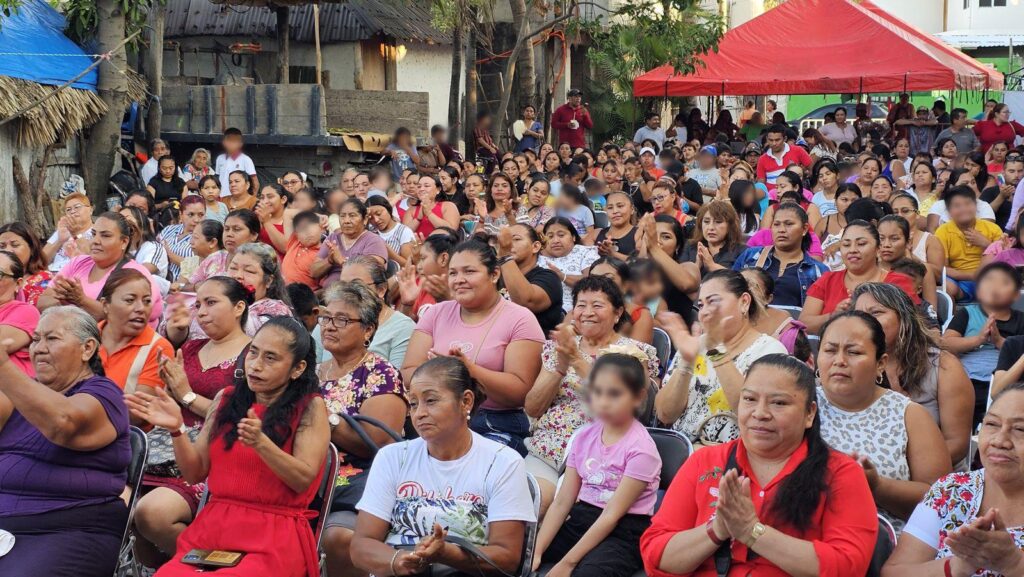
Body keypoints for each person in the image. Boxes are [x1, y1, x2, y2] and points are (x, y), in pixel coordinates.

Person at [640, 354, 879, 577]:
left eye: (779, 403)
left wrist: (753, 532)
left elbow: (848, 566)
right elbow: (656, 554)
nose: (760, 413)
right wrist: (717, 530)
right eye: (750, 399)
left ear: (809, 414)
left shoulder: (840, 473)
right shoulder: (706, 461)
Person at [127, 317, 329, 577]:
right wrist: (177, 429)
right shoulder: (226, 399)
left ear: (297, 368)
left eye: (271, 358)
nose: (255, 365)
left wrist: (261, 444)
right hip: (214, 528)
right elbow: (195, 472)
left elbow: (303, 480)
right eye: (253, 352)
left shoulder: (310, 407)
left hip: (273, 535)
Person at [349, 356, 534, 577]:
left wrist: (446, 553)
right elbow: (361, 545)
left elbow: (507, 559)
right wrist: (401, 561)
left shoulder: (503, 462)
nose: (419, 414)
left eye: (431, 401)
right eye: (414, 404)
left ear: (466, 401)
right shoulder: (392, 457)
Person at [131, 277, 253, 568]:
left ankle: (212, 569)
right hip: (165, 451)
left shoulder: (253, 355)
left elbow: (240, 419)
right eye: (198, 304)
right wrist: (164, 397)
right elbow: (174, 404)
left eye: (211, 303)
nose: (202, 311)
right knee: (122, 509)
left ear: (239, 307)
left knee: (152, 514)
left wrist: (185, 394)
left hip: (211, 460)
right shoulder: (190, 348)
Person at [0, 306, 131, 577]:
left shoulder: (104, 393)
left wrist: (2, 366)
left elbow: (63, 424)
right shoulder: (23, 394)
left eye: (52, 338)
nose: (39, 348)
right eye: (35, 339)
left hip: (70, 528)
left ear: (87, 349)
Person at [525, 276, 659, 510]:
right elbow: (533, 408)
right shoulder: (560, 347)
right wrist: (560, 365)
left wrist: (576, 359)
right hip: (550, 447)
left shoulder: (634, 354)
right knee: (531, 502)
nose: (587, 312)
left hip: (603, 455)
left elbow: (632, 410)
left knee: (574, 513)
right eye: (581, 305)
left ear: (618, 313)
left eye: (597, 305)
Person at [402, 240, 544, 456]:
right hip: (436, 419)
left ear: (494, 274)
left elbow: (521, 392)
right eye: (452, 273)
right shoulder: (435, 313)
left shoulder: (520, 319)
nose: (459, 280)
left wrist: (469, 371)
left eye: (469, 271)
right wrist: (438, 374)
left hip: (495, 422)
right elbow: (408, 370)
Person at [815, 311, 951, 531]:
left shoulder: (908, 415)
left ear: (881, 363)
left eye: (854, 352)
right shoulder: (801, 406)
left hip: (889, 550)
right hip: (806, 543)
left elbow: (941, 499)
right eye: (830, 350)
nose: (839, 361)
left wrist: (877, 486)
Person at [533, 351, 661, 577]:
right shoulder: (584, 436)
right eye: (597, 392)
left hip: (623, 531)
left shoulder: (642, 450)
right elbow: (563, 501)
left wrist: (567, 563)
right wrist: (536, 551)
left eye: (614, 394)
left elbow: (612, 514)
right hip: (583, 518)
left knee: (587, 572)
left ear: (638, 397)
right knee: (518, 554)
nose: (603, 402)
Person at [882, 382, 1024, 577]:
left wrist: (1014, 564)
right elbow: (894, 573)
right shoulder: (951, 490)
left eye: (1020, 430)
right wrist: (957, 566)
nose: (999, 441)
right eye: (992, 424)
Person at [317, 282, 407, 577]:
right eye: (326, 317)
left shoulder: (380, 373)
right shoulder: (311, 372)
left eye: (342, 320)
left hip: (356, 487)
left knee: (338, 538)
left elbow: (379, 442)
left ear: (368, 330)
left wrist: (324, 419)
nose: (329, 326)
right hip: (304, 476)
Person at [655, 270, 787, 443]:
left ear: (744, 302)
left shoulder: (770, 351)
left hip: (731, 460)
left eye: (713, 301)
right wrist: (686, 362)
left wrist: (716, 350)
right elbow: (665, 415)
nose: (705, 312)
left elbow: (754, 414)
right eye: (701, 305)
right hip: (685, 455)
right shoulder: (694, 344)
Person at [851, 283, 974, 466]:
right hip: (865, 474)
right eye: (859, 316)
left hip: (935, 480)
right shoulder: (850, 366)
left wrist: (898, 471)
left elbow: (957, 444)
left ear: (904, 317)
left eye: (876, 312)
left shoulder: (943, 366)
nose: (866, 322)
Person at [38, 211, 165, 326]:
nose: (95, 241)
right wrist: (63, 300)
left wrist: (81, 300)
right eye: (94, 234)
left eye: (105, 236)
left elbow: (129, 318)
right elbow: (42, 303)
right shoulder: (78, 262)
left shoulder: (135, 274)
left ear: (124, 242)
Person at [799, 220, 918, 334]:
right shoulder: (827, 280)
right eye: (846, 244)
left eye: (861, 244)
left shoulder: (898, 283)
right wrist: (834, 316)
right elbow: (803, 323)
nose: (852, 250)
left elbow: (910, 325)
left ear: (878, 249)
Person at [943, 262, 1024, 427]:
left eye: (1004, 283)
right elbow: (946, 343)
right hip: (967, 379)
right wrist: (978, 339)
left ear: (1016, 294)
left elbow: (1020, 354)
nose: (995, 288)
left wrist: (999, 341)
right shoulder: (967, 313)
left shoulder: (1021, 319)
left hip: (1005, 381)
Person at [733, 202, 829, 307]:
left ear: (805, 229)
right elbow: (730, 289)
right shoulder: (750, 256)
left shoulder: (819, 271)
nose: (781, 230)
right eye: (776, 224)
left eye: (789, 224)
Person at [98, 268, 174, 398]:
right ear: (105, 305)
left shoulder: (159, 349)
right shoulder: (84, 336)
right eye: (130, 300)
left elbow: (138, 411)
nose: (141, 309)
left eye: (147, 301)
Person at [337, 256, 415, 368]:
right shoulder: (329, 322)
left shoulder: (402, 328)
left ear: (381, 290)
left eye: (357, 285)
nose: (347, 292)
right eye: (342, 286)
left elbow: (397, 380)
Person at [936, 186, 1005, 301]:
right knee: (948, 287)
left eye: (968, 203)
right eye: (957, 206)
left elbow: (1005, 260)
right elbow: (942, 267)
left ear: (976, 206)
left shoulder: (992, 228)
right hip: (958, 280)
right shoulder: (943, 231)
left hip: (989, 278)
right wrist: (971, 276)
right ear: (949, 212)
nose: (964, 209)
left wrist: (986, 244)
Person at [496, 223, 564, 337]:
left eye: (516, 239)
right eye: (505, 241)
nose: (508, 244)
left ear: (535, 247)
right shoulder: (495, 277)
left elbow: (526, 302)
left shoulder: (549, 278)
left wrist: (505, 257)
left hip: (533, 346)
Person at [311, 198, 388, 287]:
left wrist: (341, 260)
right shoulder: (333, 238)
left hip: (357, 294)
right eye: (342, 216)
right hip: (328, 292)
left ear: (365, 219)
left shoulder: (374, 241)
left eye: (352, 215)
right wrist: (329, 260)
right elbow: (313, 273)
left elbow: (371, 275)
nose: (346, 221)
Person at [539, 217, 600, 313]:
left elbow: (592, 281)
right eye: (550, 237)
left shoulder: (585, 252)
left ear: (573, 237)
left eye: (561, 235)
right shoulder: (537, 257)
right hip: (542, 308)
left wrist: (562, 276)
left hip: (577, 309)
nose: (555, 241)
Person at [877, 215, 940, 306]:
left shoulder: (923, 269)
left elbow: (931, 312)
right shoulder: (870, 267)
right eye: (881, 238)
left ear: (908, 242)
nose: (886, 244)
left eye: (894, 239)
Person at [680, 201, 747, 274]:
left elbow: (744, 280)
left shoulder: (742, 251)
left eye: (718, 222)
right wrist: (697, 265)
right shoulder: (689, 246)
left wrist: (712, 266)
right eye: (706, 221)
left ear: (730, 226)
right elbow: (681, 280)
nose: (711, 227)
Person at [0, 222, 52, 306]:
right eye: (2, 246)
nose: (8, 250)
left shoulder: (44, 279)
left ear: (32, 248)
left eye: (15, 245)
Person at [43, 192, 93, 273]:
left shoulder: (97, 231)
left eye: (77, 207)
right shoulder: (64, 230)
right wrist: (59, 241)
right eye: (68, 210)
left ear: (90, 210)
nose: (72, 211)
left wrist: (76, 234)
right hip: (54, 274)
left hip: (79, 276)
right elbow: (41, 261)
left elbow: (93, 259)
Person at [159, 195, 203, 280]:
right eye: (191, 215)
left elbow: (200, 266)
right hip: (160, 282)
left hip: (185, 286)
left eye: (201, 215)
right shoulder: (169, 229)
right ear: (181, 214)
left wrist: (170, 255)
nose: (196, 220)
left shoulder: (206, 237)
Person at [366, 196, 415, 266]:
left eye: (379, 214)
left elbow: (409, 265)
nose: (376, 220)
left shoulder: (404, 232)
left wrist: (390, 253)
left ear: (388, 209)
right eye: (371, 218)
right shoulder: (370, 232)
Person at [282, 210, 324, 291]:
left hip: (303, 298)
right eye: (301, 229)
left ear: (321, 228)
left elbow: (325, 288)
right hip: (281, 294)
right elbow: (287, 213)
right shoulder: (293, 242)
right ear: (296, 235)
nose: (306, 232)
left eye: (310, 226)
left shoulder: (324, 253)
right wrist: (318, 215)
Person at [214, 127, 259, 197]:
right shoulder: (220, 158)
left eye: (234, 141)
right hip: (222, 198)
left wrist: (251, 200)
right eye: (229, 140)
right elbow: (217, 180)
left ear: (240, 143)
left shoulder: (245, 159)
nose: (231, 144)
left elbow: (255, 183)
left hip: (239, 199)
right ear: (224, 142)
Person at [594, 191, 638, 259]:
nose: (615, 211)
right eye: (610, 208)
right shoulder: (595, 234)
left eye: (620, 206)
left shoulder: (640, 235)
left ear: (632, 209)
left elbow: (644, 265)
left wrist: (613, 254)